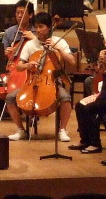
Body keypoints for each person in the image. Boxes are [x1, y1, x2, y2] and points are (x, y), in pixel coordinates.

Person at [5, 12, 75, 142]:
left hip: (52, 81)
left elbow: (72, 61)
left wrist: (58, 49)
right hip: (32, 82)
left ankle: (62, 130)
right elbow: (19, 65)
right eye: (36, 27)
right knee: (10, 98)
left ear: (49, 27)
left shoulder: (59, 41)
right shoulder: (30, 44)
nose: (37, 30)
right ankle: (21, 130)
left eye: (41, 26)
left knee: (65, 97)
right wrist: (27, 65)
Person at [0, 0, 35, 121]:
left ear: (30, 15)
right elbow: (1, 54)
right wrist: (5, 52)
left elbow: (43, 50)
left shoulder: (36, 31)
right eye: (17, 13)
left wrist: (34, 38)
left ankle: (23, 106)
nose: (19, 16)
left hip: (29, 66)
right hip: (12, 64)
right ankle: (2, 109)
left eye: (22, 13)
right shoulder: (9, 32)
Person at [69, 50, 106, 155]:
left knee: (89, 108)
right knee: (80, 105)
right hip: (102, 95)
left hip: (104, 97)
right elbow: (101, 72)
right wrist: (101, 62)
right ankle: (85, 141)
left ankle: (95, 144)